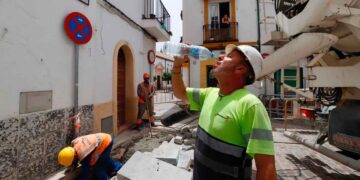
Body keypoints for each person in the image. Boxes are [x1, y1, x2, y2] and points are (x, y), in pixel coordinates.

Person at [172, 45, 276, 180]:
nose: (220, 56)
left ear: (240, 69)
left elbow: (266, 167)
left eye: (229, 56)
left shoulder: (251, 105)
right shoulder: (210, 94)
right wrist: (177, 66)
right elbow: (180, 93)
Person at [58, 133, 123, 180]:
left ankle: (106, 177)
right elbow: (75, 158)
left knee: (99, 165)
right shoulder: (74, 144)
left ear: (73, 157)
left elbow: (86, 172)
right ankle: (120, 167)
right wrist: (74, 165)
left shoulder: (84, 155)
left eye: (71, 162)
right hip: (105, 137)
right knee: (105, 160)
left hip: (106, 142)